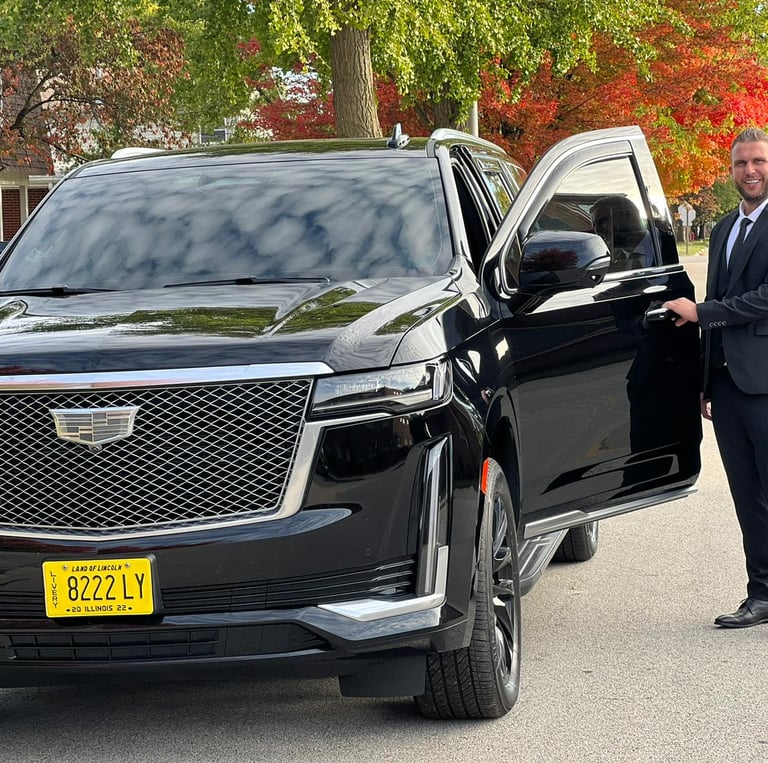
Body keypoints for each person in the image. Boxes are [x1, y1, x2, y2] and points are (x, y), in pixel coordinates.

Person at [664, 126, 768, 628]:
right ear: (730, 171)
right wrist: (706, 382)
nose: (750, 171)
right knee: (748, 497)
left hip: (765, 382)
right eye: (741, 163)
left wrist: (702, 313)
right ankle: (761, 594)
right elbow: (720, 294)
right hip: (727, 385)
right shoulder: (724, 228)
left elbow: (763, 298)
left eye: (759, 161)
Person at [590, 195, 655, 270]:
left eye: (602, 221)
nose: (597, 230)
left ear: (629, 215)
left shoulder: (665, 243)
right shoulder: (606, 262)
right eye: (594, 225)